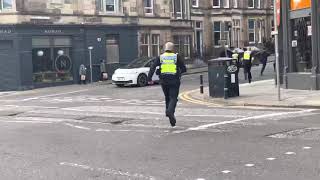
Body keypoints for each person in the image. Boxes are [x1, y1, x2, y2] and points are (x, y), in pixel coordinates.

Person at [147, 42, 187, 127]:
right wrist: (179, 71)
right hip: (174, 81)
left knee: (167, 97)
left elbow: (152, 67)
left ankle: (169, 115)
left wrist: (149, 78)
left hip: (163, 81)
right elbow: (184, 69)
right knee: (173, 98)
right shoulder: (176, 57)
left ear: (165, 49)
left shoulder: (160, 57)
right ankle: (169, 112)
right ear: (173, 49)